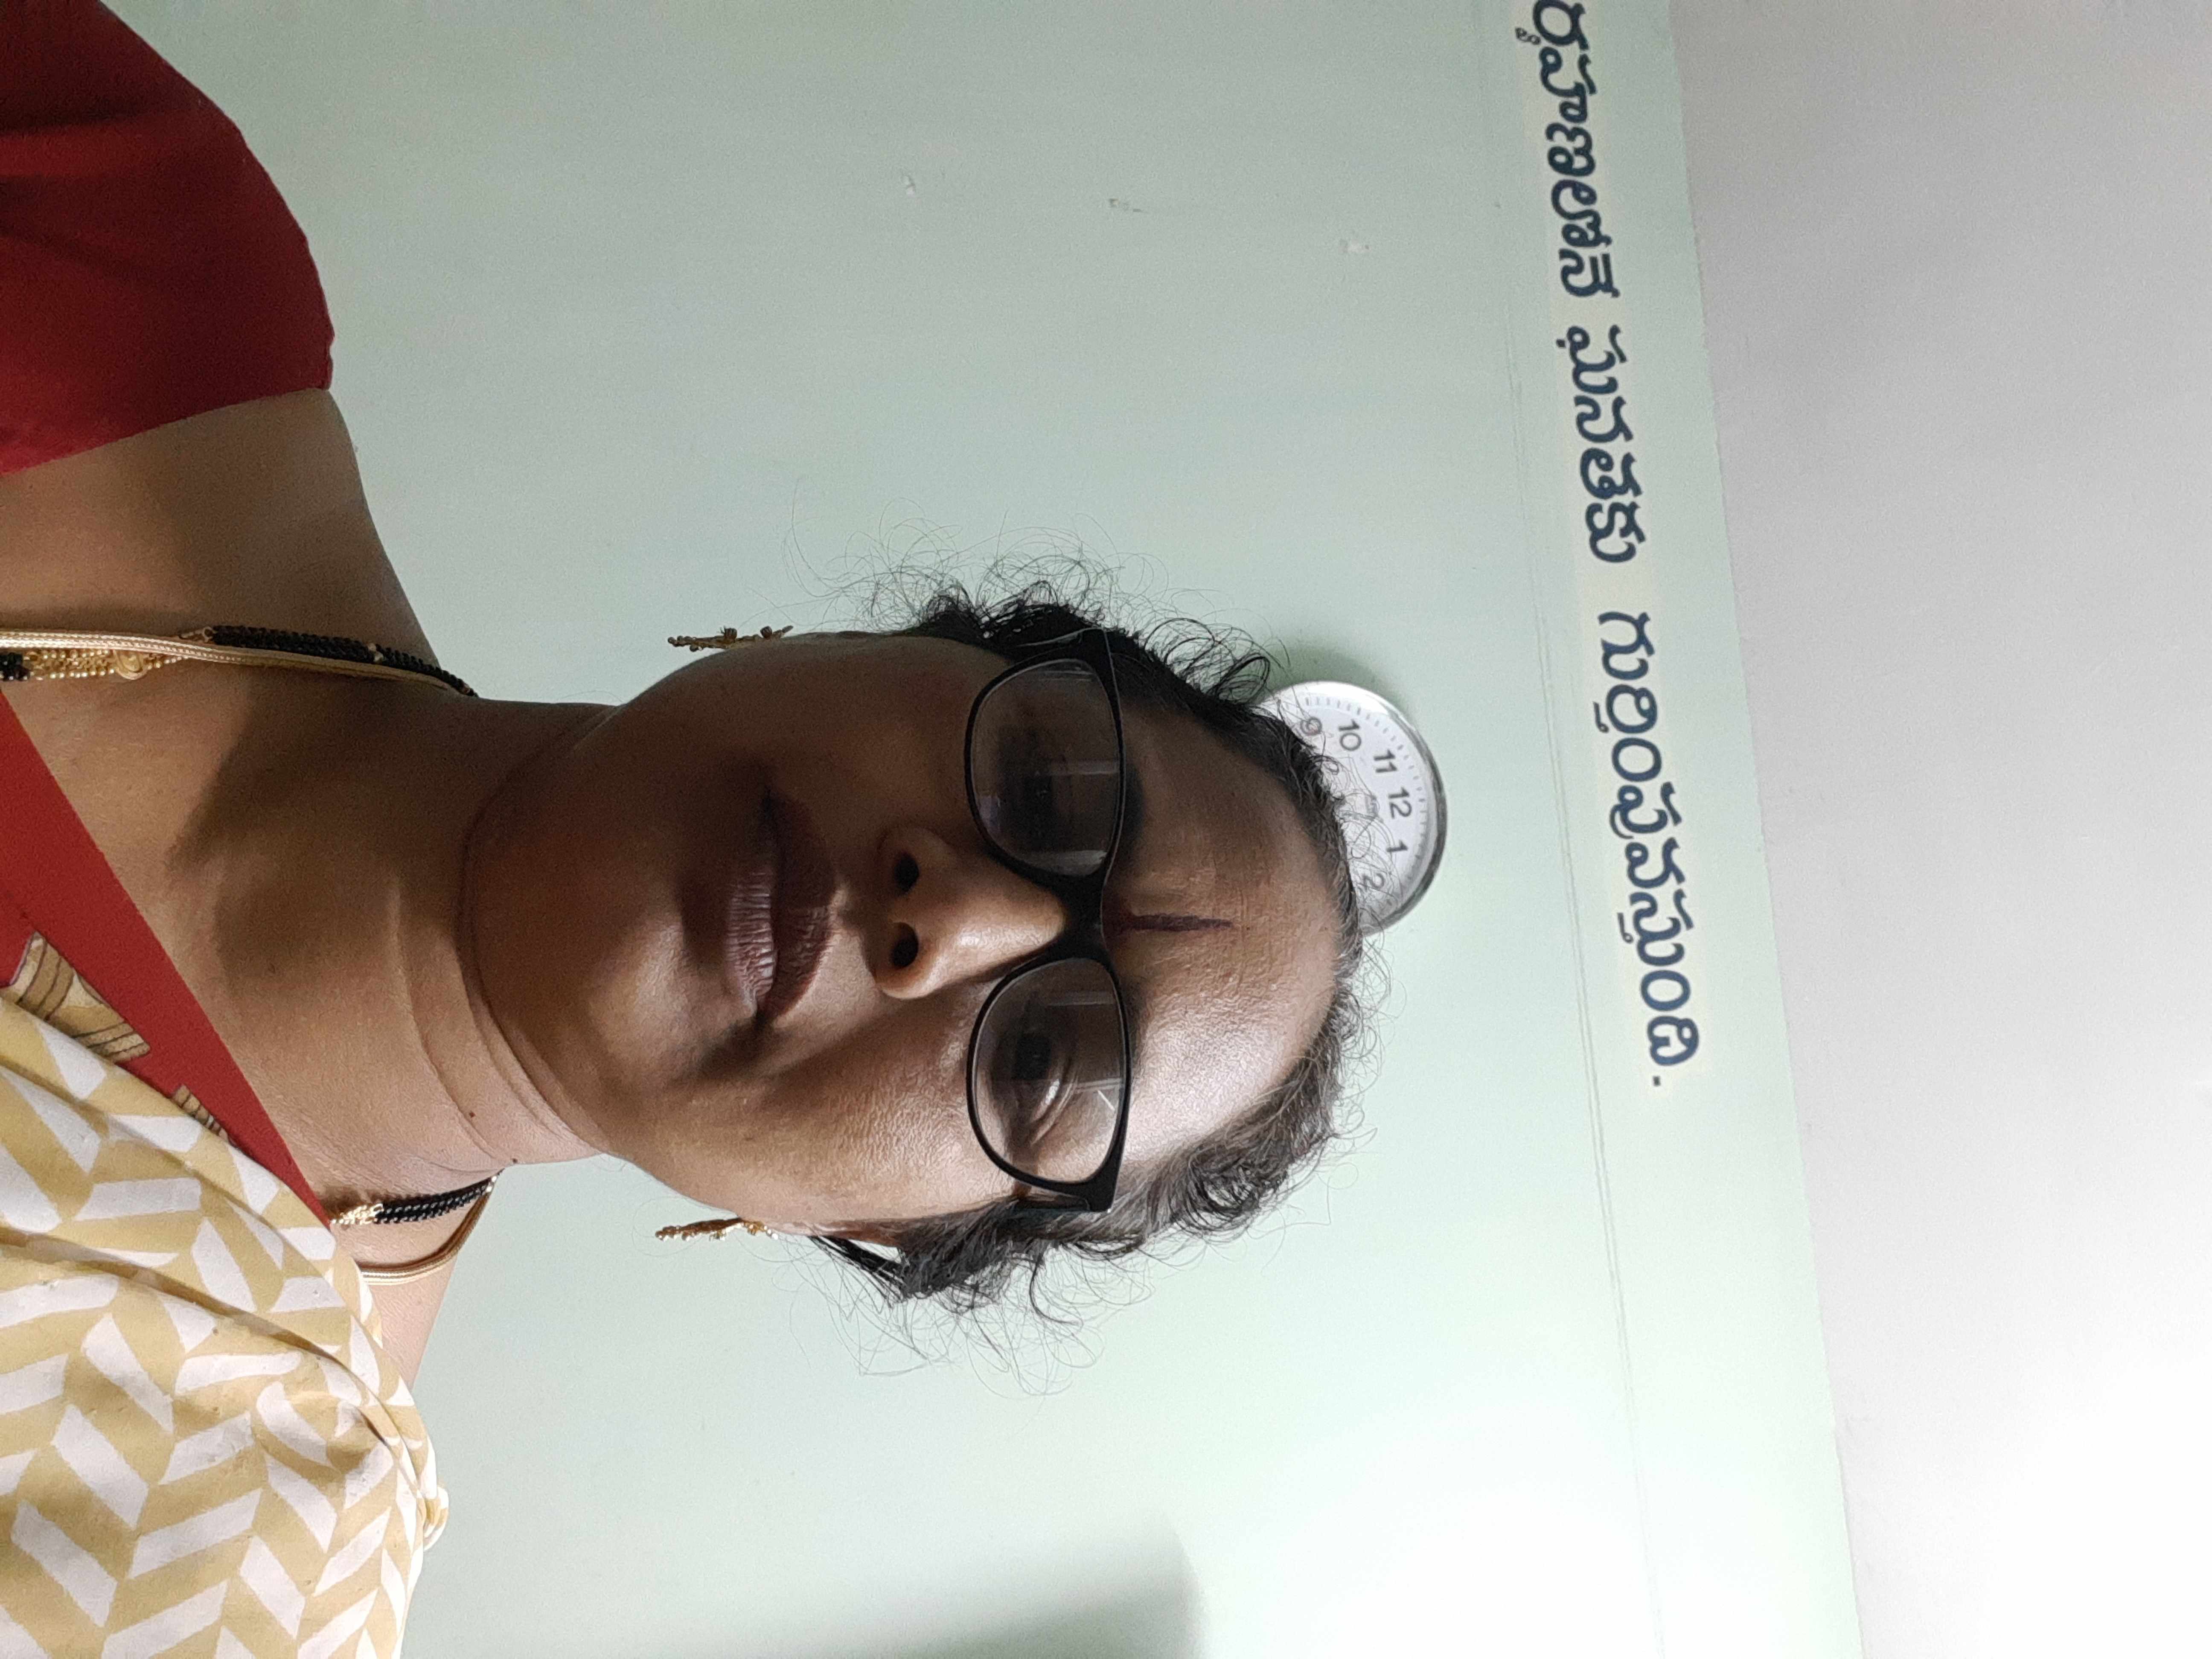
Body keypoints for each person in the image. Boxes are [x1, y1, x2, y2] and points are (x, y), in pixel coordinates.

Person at [0, 2, 1363, 1652]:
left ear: (868, 1230)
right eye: (1051, 787)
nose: (955, 919)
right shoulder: (124, 253)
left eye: (1039, 1064)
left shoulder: (220, 1541)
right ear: (886, 644)